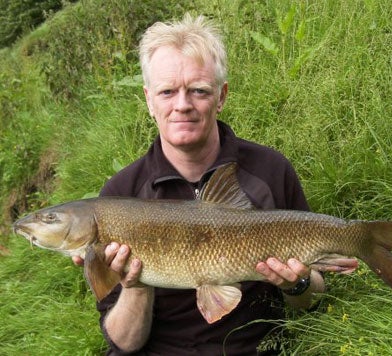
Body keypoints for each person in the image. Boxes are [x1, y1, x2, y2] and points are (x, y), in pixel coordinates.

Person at [72, 14, 352, 355]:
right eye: (167, 91)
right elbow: (124, 342)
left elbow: (313, 299)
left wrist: (298, 284)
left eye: (198, 90)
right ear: (149, 100)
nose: (182, 105)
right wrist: (136, 285)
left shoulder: (270, 169)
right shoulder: (120, 194)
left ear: (221, 96)